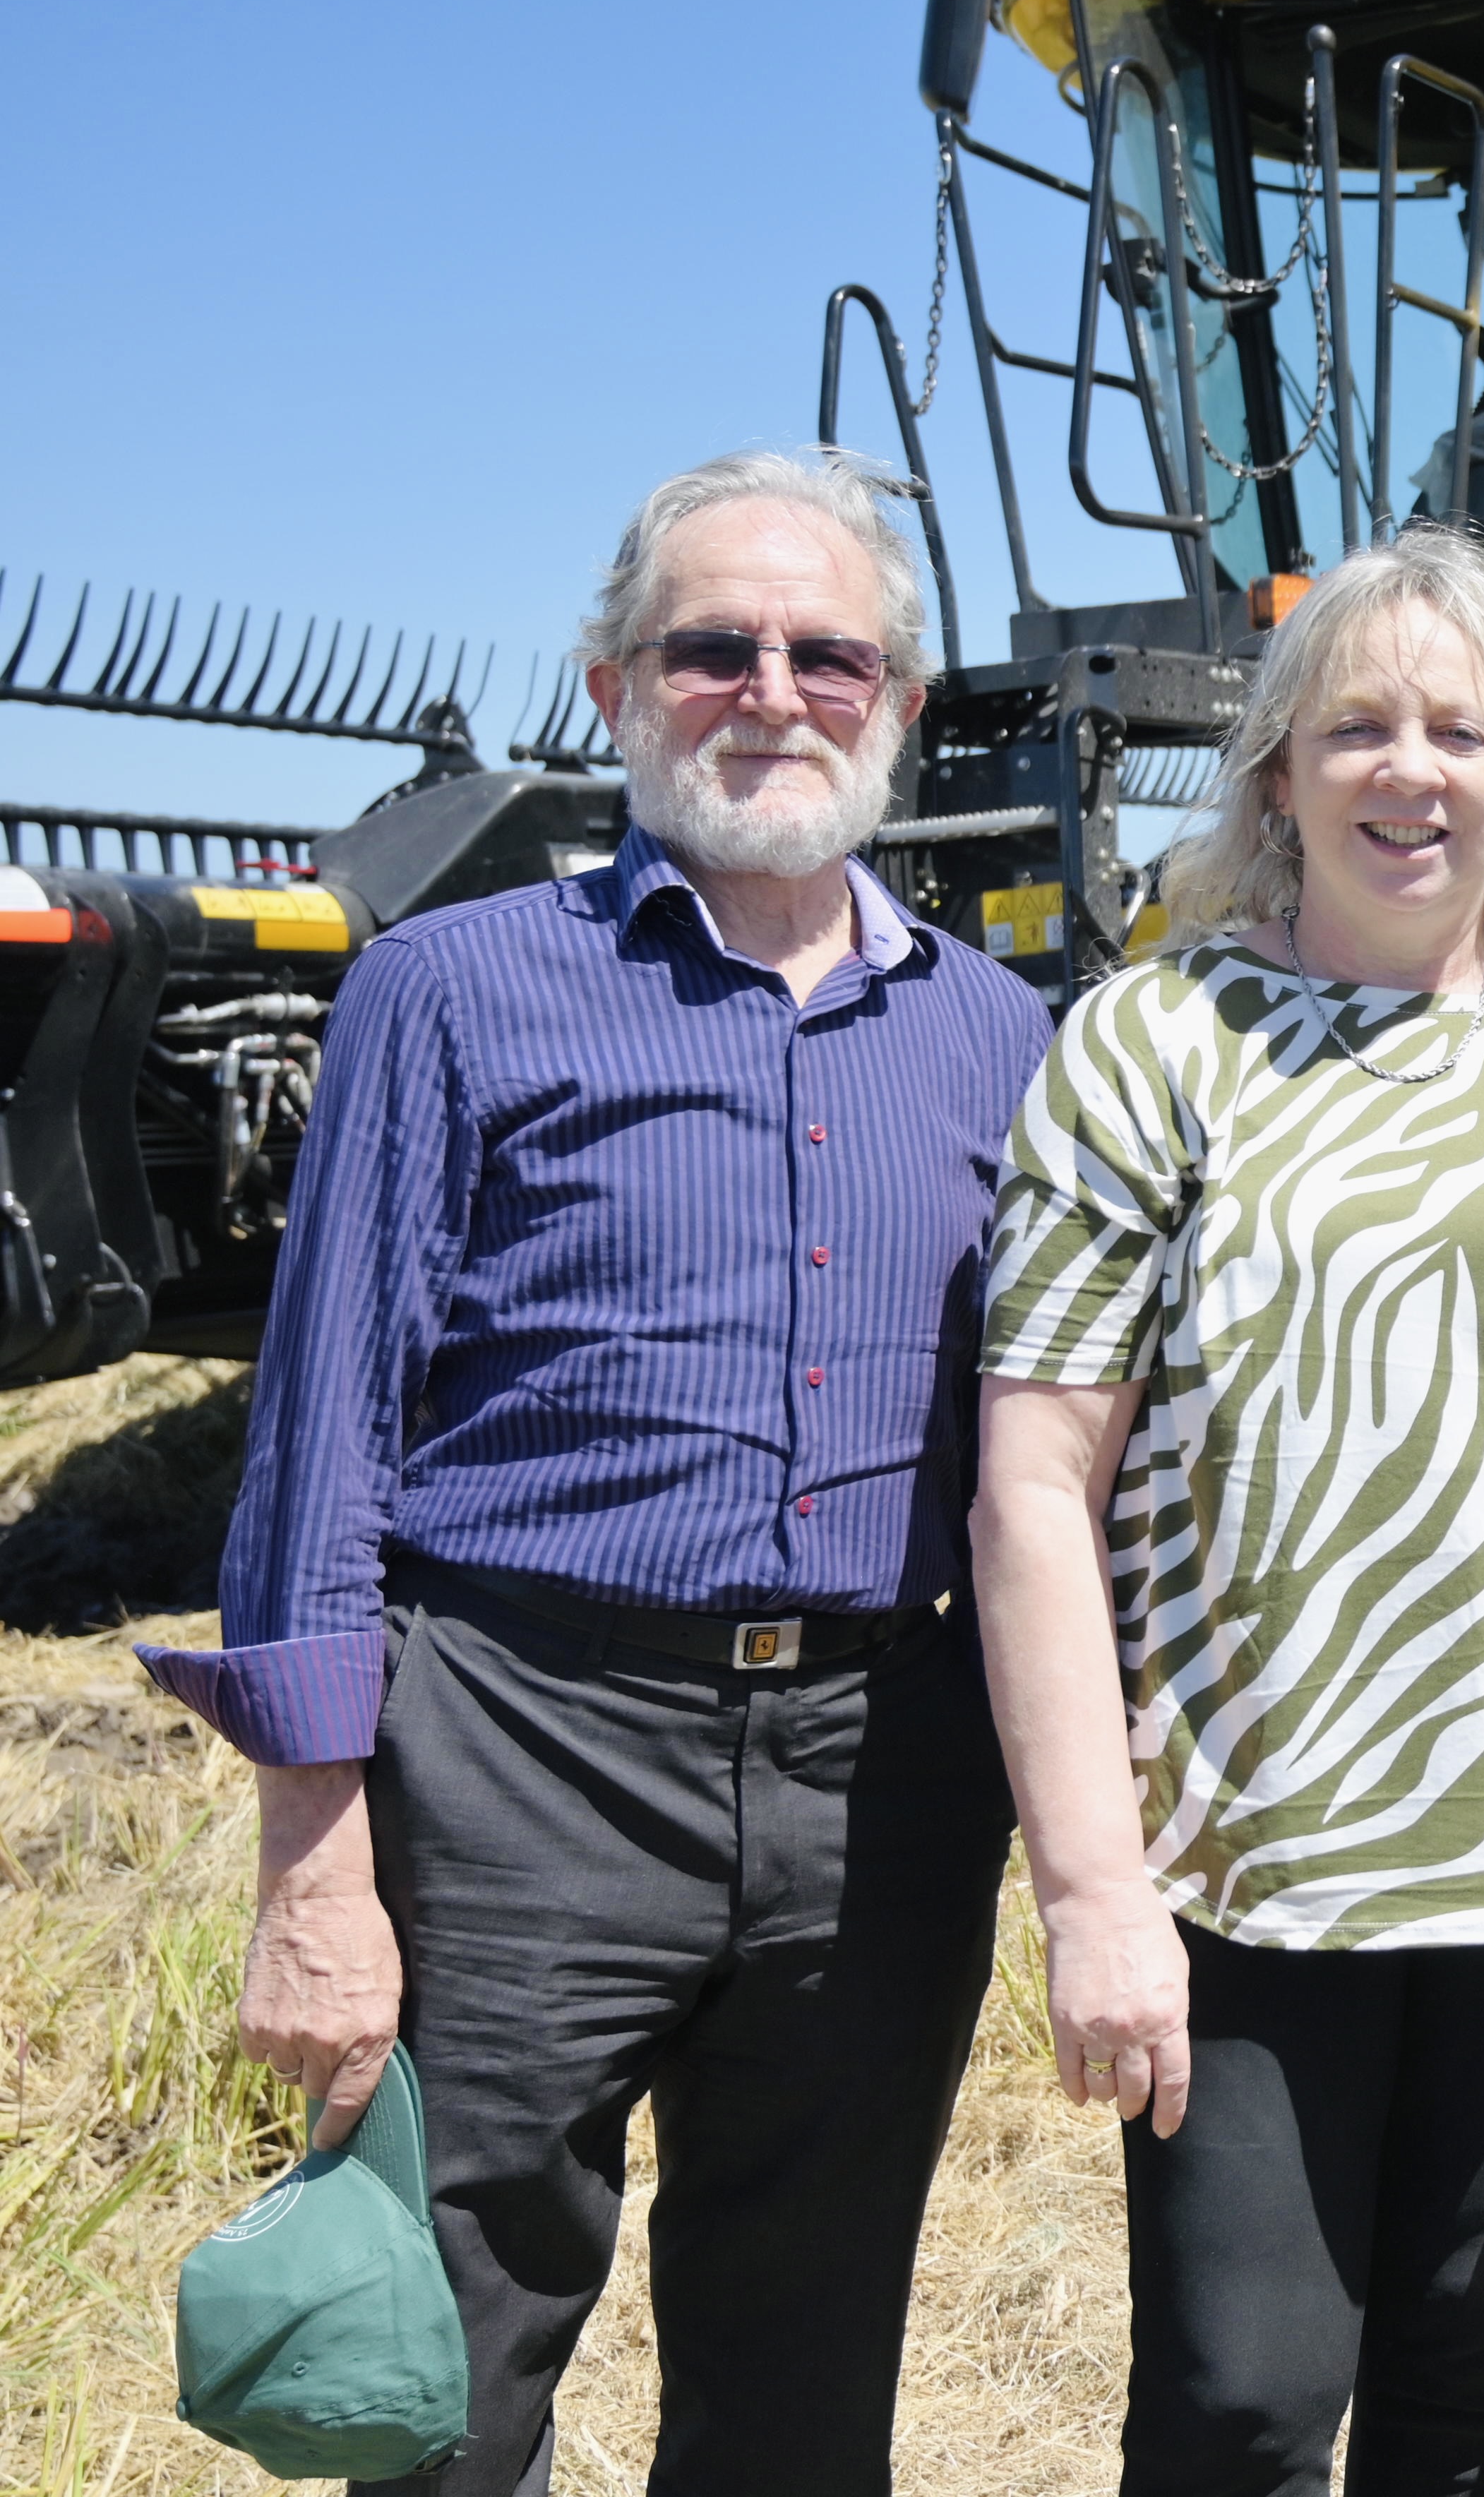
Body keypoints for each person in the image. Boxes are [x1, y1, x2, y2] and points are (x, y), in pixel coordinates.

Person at [138, 449, 1052, 2497]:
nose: (773, 691)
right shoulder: (451, 993)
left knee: (806, 2399)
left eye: (832, 654)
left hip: (882, 1776)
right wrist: (314, 1869)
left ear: (900, 703)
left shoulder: (1006, 1041)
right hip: (522, 1751)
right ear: (613, 687)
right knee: (437, 2392)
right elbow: (321, 1445)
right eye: (712, 646)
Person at [966, 530, 1484, 2497]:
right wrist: (1090, 1892)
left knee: (1465, 2390)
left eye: (1456, 728)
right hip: (1244, 1877)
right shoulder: (1153, 1049)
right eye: (1355, 729)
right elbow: (1031, 1485)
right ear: (1277, 778)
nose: (1407, 771)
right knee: (1244, 2403)